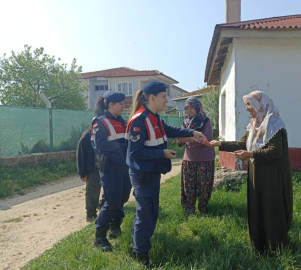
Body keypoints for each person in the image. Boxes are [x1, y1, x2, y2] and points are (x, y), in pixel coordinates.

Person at [126, 81, 206, 266]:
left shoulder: (153, 117)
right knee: (146, 215)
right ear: (152, 97)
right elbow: (134, 153)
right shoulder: (139, 119)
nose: (167, 100)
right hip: (142, 175)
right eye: (163, 96)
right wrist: (161, 153)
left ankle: (141, 247)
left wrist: (193, 132)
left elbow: (171, 131)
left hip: (151, 173)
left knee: (150, 213)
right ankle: (140, 256)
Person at [206, 90, 293, 254]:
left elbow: (276, 151)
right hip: (258, 172)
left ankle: (276, 246)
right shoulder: (255, 124)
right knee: (259, 206)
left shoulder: (273, 122)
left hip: (272, 175)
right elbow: (242, 144)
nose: (246, 108)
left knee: (271, 207)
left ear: (259, 104)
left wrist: (251, 155)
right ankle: (260, 243)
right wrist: (219, 144)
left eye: (249, 104)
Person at [91, 91, 132, 252]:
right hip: (110, 167)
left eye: (123, 103)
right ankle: (99, 237)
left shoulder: (123, 122)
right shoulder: (100, 122)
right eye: (120, 104)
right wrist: (125, 149)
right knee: (111, 201)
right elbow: (101, 145)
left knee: (122, 198)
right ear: (110, 105)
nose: (123, 106)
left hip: (125, 166)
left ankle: (115, 227)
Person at [177, 98, 215, 215]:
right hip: (189, 157)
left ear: (197, 107)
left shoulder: (205, 121)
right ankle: (189, 209)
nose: (189, 111)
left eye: (191, 108)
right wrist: (179, 140)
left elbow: (207, 139)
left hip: (205, 158)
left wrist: (191, 139)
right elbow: (181, 140)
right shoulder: (186, 121)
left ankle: (203, 208)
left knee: (204, 184)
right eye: (187, 108)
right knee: (188, 184)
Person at [76, 128, 104, 222]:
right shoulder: (87, 135)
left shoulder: (107, 132)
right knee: (93, 192)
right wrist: (82, 173)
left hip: (107, 168)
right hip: (93, 169)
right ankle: (91, 215)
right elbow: (80, 155)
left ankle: (102, 205)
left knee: (109, 189)